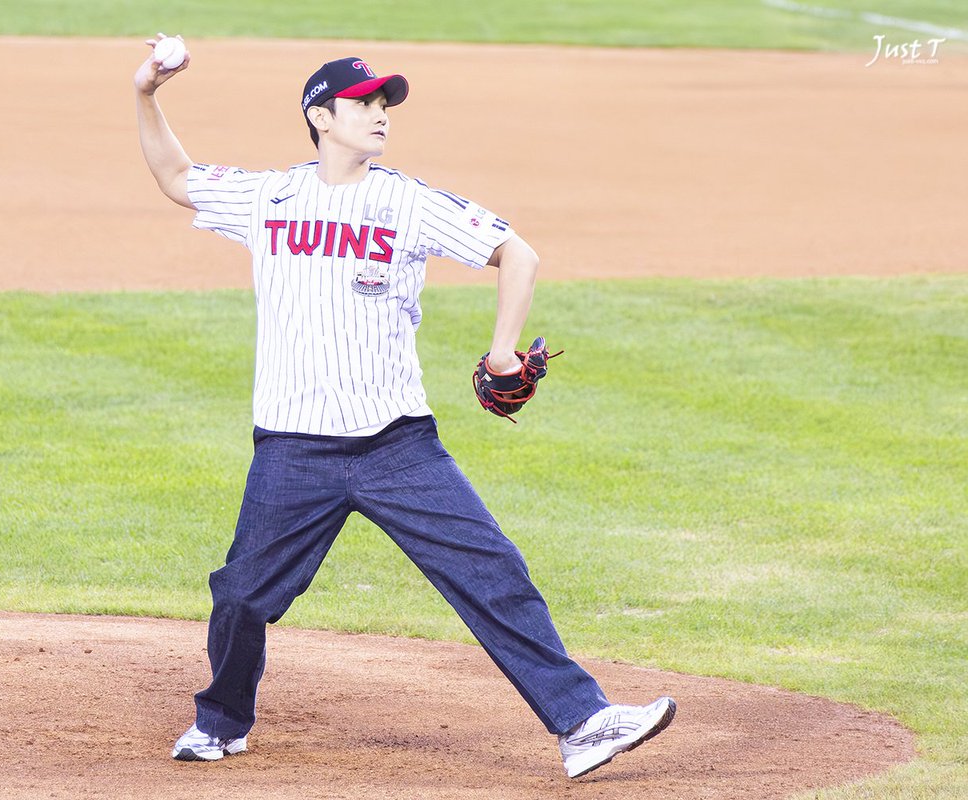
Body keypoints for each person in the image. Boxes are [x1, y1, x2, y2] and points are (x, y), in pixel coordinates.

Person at [133, 34, 676, 779]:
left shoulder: (409, 202)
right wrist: (147, 94)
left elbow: (519, 253)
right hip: (293, 449)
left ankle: (583, 722)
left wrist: (504, 353)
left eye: (385, 103)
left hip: (398, 446)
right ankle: (221, 722)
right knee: (242, 597)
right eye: (364, 103)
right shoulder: (270, 197)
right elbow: (176, 176)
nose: (381, 113)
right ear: (321, 117)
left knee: (494, 572)